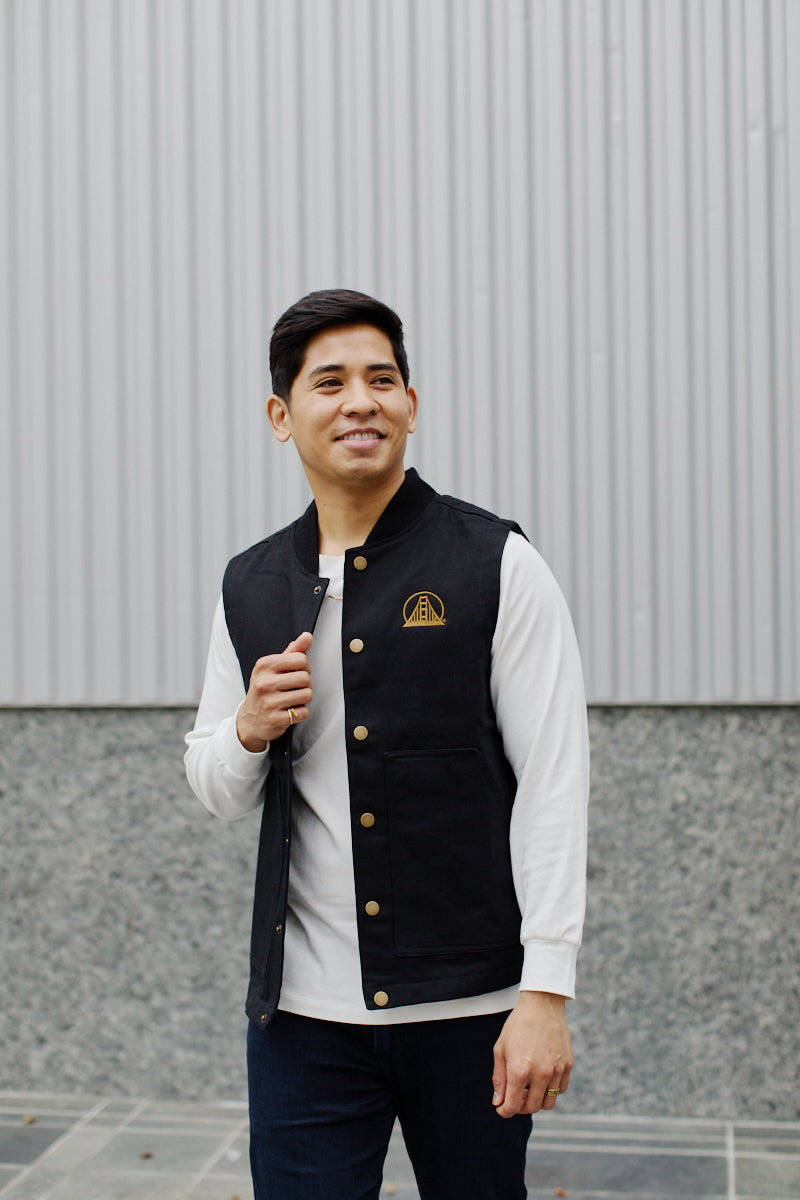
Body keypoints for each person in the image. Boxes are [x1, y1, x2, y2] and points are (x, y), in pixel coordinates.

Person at [184, 289, 589, 1199]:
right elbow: (214, 783)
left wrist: (545, 995)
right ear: (282, 416)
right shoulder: (249, 584)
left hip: (473, 1013)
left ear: (411, 404)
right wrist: (247, 731)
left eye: (382, 379)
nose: (360, 400)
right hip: (301, 1023)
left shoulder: (496, 564)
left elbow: (555, 784)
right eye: (329, 382)